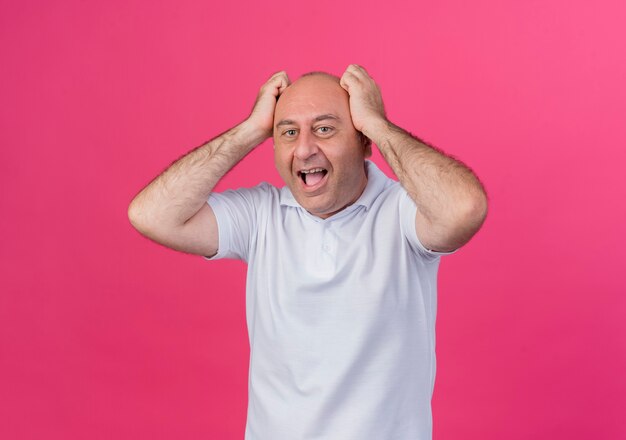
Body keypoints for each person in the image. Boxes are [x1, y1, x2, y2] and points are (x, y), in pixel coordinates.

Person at [128, 64, 488, 440]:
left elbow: (463, 208)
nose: (304, 149)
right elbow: (151, 215)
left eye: (324, 129)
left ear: (362, 141)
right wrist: (250, 130)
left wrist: (378, 125)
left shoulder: (403, 213)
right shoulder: (261, 215)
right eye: (287, 133)